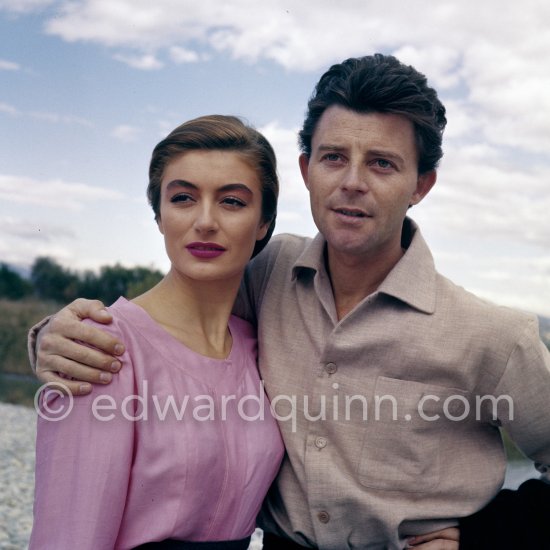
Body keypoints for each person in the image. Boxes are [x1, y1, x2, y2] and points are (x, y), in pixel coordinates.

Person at [29, 54, 550, 549]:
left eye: (383, 164)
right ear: (305, 170)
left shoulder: (495, 337)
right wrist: (54, 335)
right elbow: (172, 317)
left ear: (422, 184)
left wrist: (493, 537)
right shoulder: (265, 273)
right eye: (333, 158)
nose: (351, 183)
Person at [29, 114, 285, 549]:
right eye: (183, 198)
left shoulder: (259, 347)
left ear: (263, 223)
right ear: (159, 215)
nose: (205, 221)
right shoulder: (100, 345)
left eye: (233, 202)